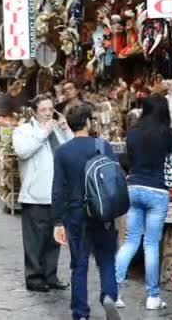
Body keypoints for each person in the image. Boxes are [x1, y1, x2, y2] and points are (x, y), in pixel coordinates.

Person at [115, 93, 172, 310]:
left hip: (134, 188)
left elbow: (127, 160)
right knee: (151, 244)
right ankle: (153, 297)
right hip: (157, 190)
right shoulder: (167, 132)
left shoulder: (133, 132)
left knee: (130, 241)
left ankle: (112, 291)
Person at [51, 104, 121, 320]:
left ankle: (80, 312)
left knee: (79, 264)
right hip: (103, 212)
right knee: (107, 258)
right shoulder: (103, 145)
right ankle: (109, 295)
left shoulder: (63, 152)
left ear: (70, 126)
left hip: (76, 214)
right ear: (88, 122)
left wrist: (57, 222)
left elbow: (58, 189)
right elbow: (115, 178)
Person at [12, 93, 72, 292]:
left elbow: (71, 150)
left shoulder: (57, 129)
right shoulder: (23, 130)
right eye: (43, 110)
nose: (48, 114)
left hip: (57, 193)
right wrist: (43, 133)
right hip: (34, 193)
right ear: (34, 112)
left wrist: (65, 128)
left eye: (50, 109)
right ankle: (34, 277)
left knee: (54, 237)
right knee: (34, 238)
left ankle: (50, 275)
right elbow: (23, 151)